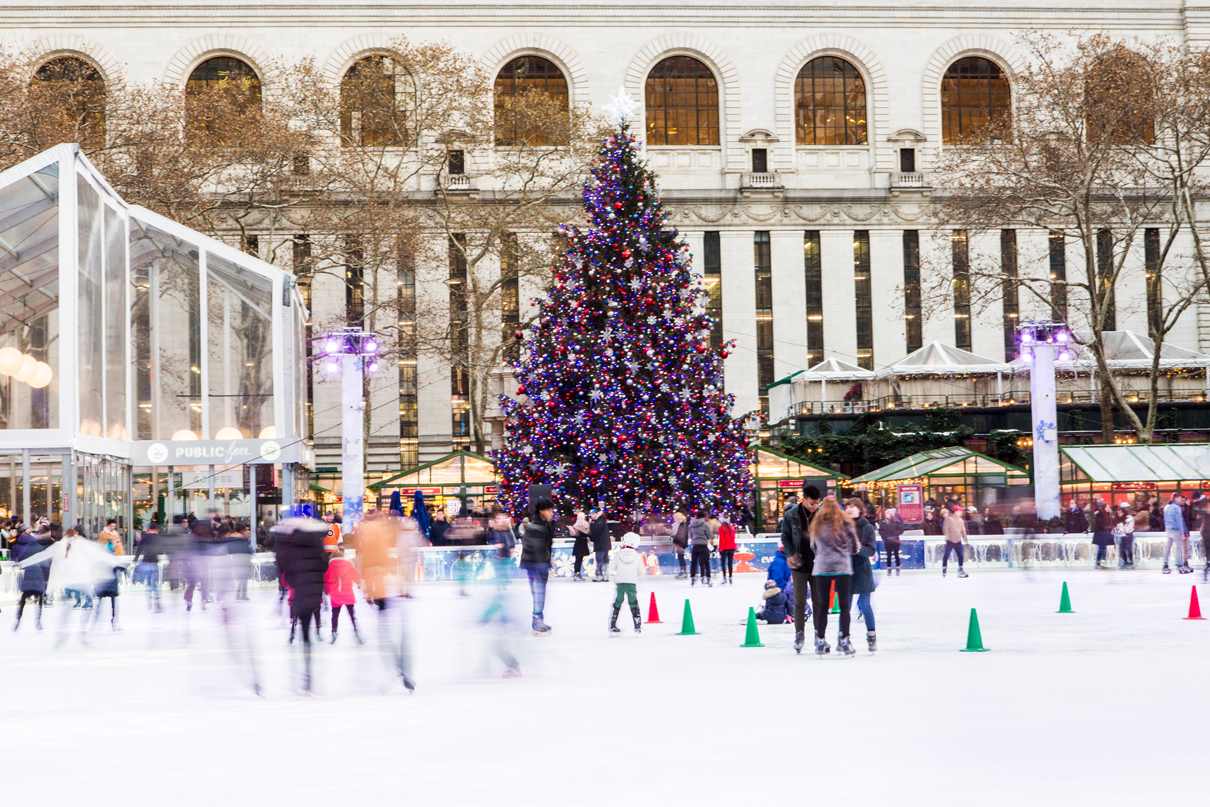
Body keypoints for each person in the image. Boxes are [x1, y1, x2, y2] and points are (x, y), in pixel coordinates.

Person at [272, 518, 329, 693]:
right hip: (314, 593)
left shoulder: (290, 546)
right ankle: (309, 670)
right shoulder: (317, 544)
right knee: (309, 628)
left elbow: (285, 570)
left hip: (299, 593)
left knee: (303, 633)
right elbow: (324, 566)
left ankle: (305, 672)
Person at [809, 497, 859, 657]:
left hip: (823, 567)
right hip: (841, 567)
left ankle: (821, 640)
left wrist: (823, 554)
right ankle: (844, 640)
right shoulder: (845, 524)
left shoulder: (816, 524)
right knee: (844, 606)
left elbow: (813, 546)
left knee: (823, 606)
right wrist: (844, 551)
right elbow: (855, 546)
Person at [780, 483, 822, 654]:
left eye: (817, 503)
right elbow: (785, 537)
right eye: (811, 503)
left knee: (819, 602)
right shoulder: (791, 515)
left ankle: (819, 634)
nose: (814, 507)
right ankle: (799, 633)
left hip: (819, 564)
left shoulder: (821, 514)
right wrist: (790, 554)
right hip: (799, 564)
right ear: (803, 500)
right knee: (799, 602)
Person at [520, 499, 556, 633]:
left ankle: (538, 619)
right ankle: (537, 619)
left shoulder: (546, 525)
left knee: (541, 592)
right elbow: (531, 548)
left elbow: (546, 547)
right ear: (541, 511)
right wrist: (540, 564)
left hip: (541, 564)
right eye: (549, 510)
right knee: (539, 592)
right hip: (534, 565)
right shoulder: (534, 527)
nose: (552, 513)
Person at [10, 523, 47, 631]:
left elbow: (14, 558)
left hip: (26, 573)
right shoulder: (37, 545)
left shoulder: (17, 545)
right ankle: (38, 621)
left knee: (23, 598)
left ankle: (18, 620)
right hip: (37, 572)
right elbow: (44, 560)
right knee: (39, 597)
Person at [324, 548, 363, 644]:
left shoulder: (330, 568)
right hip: (347, 593)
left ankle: (334, 631)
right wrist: (358, 584)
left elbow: (326, 580)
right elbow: (357, 577)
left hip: (336, 594)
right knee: (352, 614)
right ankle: (356, 631)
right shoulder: (349, 567)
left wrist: (327, 591)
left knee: (335, 615)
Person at [608, 532, 643, 634]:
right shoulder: (637, 556)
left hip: (620, 582)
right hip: (631, 582)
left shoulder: (618, 555)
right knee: (633, 602)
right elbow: (640, 571)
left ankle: (613, 623)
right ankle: (637, 624)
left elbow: (612, 568)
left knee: (618, 601)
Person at [1163, 494, 1191, 574]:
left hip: (1168, 530)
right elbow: (1179, 521)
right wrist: (1182, 533)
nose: (1180, 500)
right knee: (1178, 548)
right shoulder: (1177, 508)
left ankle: (1165, 565)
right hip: (1176, 530)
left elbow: (1165, 520)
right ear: (1176, 498)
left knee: (1167, 548)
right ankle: (1180, 566)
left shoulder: (1166, 507)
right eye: (1179, 498)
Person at [942, 506, 969, 578]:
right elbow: (946, 528)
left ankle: (960, 569)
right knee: (946, 555)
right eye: (959, 510)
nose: (961, 512)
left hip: (958, 540)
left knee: (961, 555)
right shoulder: (949, 519)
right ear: (955, 511)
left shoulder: (961, 520)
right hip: (950, 541)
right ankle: (944, 568)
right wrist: (947, 537)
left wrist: (965, 538)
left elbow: (963, 530)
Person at [688, 508, 713, 586]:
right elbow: (709, 535)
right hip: (703, 545)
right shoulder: (705, 525)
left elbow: (690, 535)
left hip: (694, 545)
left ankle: (692, 578)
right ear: (703, 517)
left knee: (694, 562)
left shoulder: (691, 524)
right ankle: (708, 578)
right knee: (706, 562)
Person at [879, 507, 905, 576]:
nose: (886, 515)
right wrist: (884, 537)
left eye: (888, 513)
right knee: (888, 555)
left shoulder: (896, 522)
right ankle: (889, 568)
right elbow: (880, 531)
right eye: (886, 513)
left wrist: (896, 534)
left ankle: (898, 567)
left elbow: (902, 529)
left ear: (891, 514)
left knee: (896, 554)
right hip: (887, 541)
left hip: (895, 540)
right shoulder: (883, 522)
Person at [589, 506, 611, 582]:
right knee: (604, 560)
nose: (592, 516)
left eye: (593, 514)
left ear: (596, 514)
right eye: (591, 514)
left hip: (601, 544)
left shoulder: (598, 522)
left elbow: (596, 532)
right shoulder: (601, 521)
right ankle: (605, 575)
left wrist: (591, 537)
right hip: (604, 544)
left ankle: (600, 575)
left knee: (600, 560)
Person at [1091, 500, 1115, 569]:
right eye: (1106, 507)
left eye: (1108, 507)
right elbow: (1102, 524)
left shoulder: (1107, 515)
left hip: (1105, 535)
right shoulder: (1100, 515)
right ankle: (1098, 562)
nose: (1108, 508)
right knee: (1102, 548)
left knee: (1104, 548)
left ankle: (1101, 562)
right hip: (1100, 535)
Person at [569, 509, 591, 581]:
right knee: (578, 559)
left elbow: (588, 533)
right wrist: (572, 532)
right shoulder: (576, 525)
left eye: (581, 518)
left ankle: (579, 574)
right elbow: (575, 535)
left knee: (581, 559)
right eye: (578, 518)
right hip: (578, 544)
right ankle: (576, 574)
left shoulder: (587, 525)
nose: (579, 520)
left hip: (584, 543)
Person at [716, 514, 737, 585]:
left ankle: (724, 577)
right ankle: (730, 577)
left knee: (723, 563)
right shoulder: (732, 527)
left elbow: (722, 539)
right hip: (731, 547)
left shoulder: (721, 528)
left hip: (724, 548)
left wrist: (720, 548)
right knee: (730, 563)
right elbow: (733, 538)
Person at [669, 509, 689, 579]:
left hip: (680, 543)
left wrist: (677, 540)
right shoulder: (678, 525)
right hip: (679, 543)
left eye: (675, 518)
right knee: (680, 558)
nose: (674, 519)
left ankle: (683, 571)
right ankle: (682, 571)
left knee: (681, 558)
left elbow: (681, 535)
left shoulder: (682, 525)